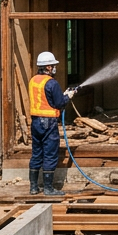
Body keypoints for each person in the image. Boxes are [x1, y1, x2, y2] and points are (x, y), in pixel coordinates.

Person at [29, 51, 79, 197]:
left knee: (36, 154)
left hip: (36, 123)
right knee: (50, 154)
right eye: (53, 65)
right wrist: (68, 97)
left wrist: (61, 95)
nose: (55, 68)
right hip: (49, 124)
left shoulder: (33, 80)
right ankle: (48, 188)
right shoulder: (51, 83)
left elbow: (46, 99)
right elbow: (58, 103)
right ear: (48, 67)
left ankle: (33, 187)